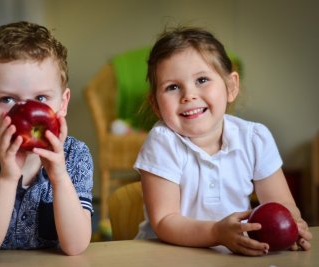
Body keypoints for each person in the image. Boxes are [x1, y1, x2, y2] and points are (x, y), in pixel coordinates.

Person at [134, 27, 312, 256]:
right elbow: (165, 222)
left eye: (202, 80)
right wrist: (217, 233)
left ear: (231, 86)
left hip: (234, 254)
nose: (189, 95)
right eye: (173, 87)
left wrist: (292, 227)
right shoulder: (162, 143)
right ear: (156, 105)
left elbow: (283, 206)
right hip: (170, 254)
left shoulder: (255, 138)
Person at [0, 21, 93, 265]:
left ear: (62, 103)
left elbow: (75, 247)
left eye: (41, 98)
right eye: (7, 99)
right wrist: (7, 178)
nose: (25, 110)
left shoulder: (75, 155)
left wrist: (59, 177)